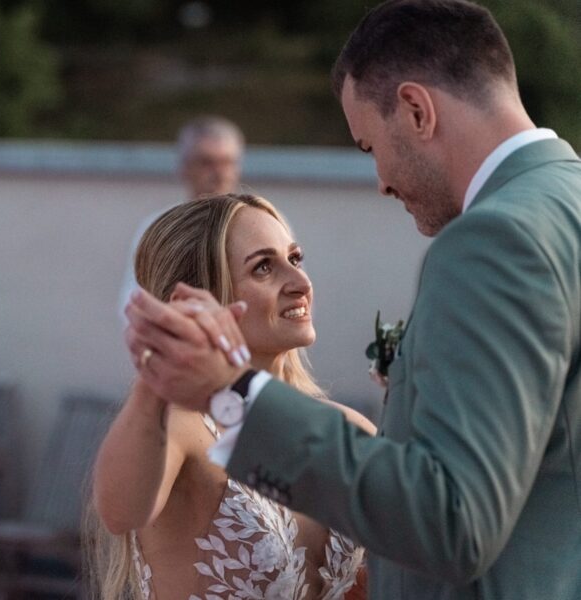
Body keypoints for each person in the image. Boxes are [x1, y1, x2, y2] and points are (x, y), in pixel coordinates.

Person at [123, 1, 581, 599]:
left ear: (416, 110)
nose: (382, 180)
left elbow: (455, 523)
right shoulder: (566, 203)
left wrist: (238, 394)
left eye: (370, 147)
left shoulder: (496, 239)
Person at [92, 194, 375, 599]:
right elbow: (120, 513)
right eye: (264, 267)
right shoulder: (180, 427)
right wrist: (158, 375)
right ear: (196, 298)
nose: (301, 283)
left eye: (295, 259)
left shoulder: (350, 429)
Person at [118, 116, 245, 316]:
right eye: (207, 162)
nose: (219, 173)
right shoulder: (160, 228)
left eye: (227, 162)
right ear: (185, 167)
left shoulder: (263, 224)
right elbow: (135, 302)